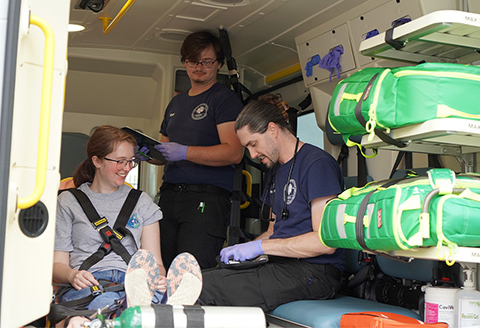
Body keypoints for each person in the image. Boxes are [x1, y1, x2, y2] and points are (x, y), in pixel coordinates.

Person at [198, 100, 346, 312]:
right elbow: (273, 232)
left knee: (204, 289)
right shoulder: (276, 171)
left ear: (272, 129)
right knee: (199, 279)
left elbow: (325, 242)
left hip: (316, 272)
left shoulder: (316, 164)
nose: (252, 155)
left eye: (253, 144)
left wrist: (259, 248)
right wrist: (241, 250)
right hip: (281, 264)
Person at [53, 125, 166, 327]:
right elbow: (57, 266)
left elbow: (154, 262)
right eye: (119, 161)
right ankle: (113, 314)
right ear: (97, 161)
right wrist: (72, 275)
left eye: (131, 161)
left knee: (158, 301)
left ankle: (104, 316)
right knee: (109, 305)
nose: (126, 168)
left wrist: (158, 278)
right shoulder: (69, 201)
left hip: (132, 282)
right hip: (88, 285)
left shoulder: (142, 202)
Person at [151, 31, 244, 270]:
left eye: (207, 61)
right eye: (193, 61)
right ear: (185, 62)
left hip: (206, 200)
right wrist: (144, 152)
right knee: (159, 267)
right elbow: (164, 152)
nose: (199, 67)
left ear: (219, 64)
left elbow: (234, 152)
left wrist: (184, 152)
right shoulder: (176, 103)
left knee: (190, 272)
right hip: (170, 197)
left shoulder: (224, 100)